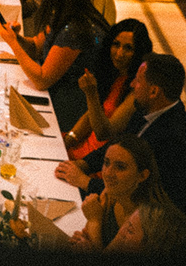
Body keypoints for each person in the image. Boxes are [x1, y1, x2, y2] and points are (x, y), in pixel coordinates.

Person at [59, 53, 186, 215]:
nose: (132, 85)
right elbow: (117, 145)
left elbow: (139, 191)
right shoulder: (148, 108)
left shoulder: (171, 137)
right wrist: (83, 164)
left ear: (153, 91)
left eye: (138, 81)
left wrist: (86, 182)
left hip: (148, 217)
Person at [0, 0, 108, 129]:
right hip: (55, 91)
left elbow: (42, 80)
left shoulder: (76, 29)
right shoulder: (66, 13)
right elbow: (36, 48)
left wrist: (12, 43)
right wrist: (17, 37)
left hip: (70, 105)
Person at [70, 135, 186, 254]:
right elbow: (89, 237)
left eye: (120, 167)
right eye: (106, 163)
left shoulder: (145, 219)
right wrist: (85, 241)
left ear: (142, 175)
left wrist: (94, 221)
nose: (108, 173)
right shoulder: (112, 194)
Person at [65, 20, 153, 161]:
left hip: (97, 161)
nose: (119, 53)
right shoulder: (113, 73)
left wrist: (91, 94)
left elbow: (103, 133)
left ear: (138, 52)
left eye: (128, 48)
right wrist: (67, 141)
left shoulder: (137, 88)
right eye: (116, 44)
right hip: (80, 149)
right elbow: (90, 115)